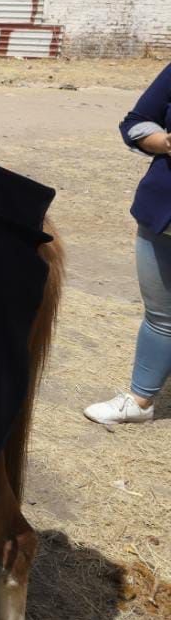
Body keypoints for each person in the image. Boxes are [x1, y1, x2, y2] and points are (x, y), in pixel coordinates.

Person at [83, 61, 171, 425]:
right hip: (162, 214)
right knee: (161, 316)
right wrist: (166, 141)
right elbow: (135, 122)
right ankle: (140, 401)